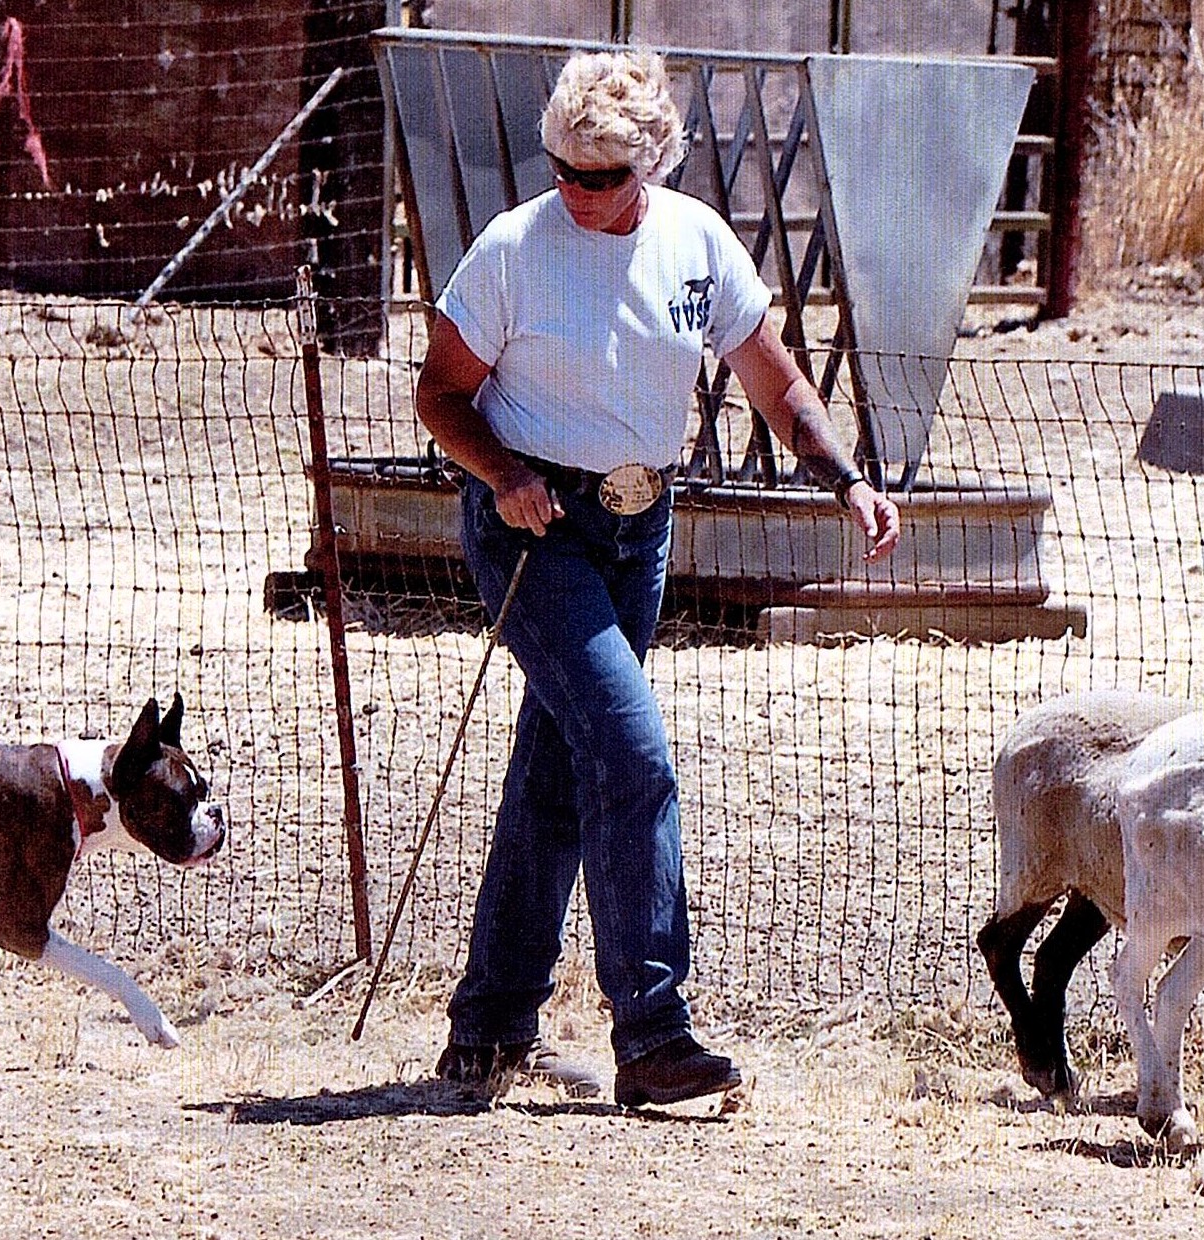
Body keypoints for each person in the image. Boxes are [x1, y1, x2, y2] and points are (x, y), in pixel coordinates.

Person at [412, 49, 901, 1108]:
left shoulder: (697, 244)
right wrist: (504, 475)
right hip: (534, 531)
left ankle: (488, 1031)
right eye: (564, 171)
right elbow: (441, 397)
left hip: (640, 533)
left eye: (603, 177)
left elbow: (776, 382)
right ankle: (654, 1032)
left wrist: (846, 478)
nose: (578, 194)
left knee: (558, 775)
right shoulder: (510, 252)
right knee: (632, 756)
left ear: (655, 162)